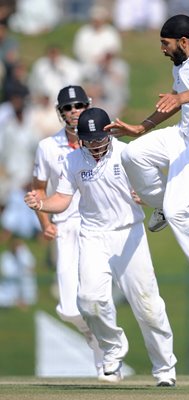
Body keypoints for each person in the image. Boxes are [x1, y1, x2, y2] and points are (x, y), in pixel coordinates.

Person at [24, 107, 177, 387]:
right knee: (89, 301)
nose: (94, 146)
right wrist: (42, 204)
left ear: (109, 133)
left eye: (99, 139)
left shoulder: (127, 154)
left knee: (148, 306)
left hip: (129, 233)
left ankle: (165, 368)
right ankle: (113, 350)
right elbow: (62, 199)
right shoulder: (72, 160)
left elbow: (153, 188)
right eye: (89, 140)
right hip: (93, 234)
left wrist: (144, 196)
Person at [104, 14, 189, 313]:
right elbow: (174, 101)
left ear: (182, 41)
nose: (162, 49)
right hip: (184, 137)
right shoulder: (180, 65)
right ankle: (160, 204)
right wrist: (141, 127)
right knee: (131, 154)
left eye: (165, 43)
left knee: (180, 211)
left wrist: (182, 99)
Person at [30, 85, 115, 382]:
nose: (73, 111)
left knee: (95, 298)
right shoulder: (47, 147)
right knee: (68, 308)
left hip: (99, 225)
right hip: (66, 226)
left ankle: (106, 363)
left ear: (88, 105)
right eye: (67, 107)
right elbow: (38, 190)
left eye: (78, 105)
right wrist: (45, 223)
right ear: (60, 112)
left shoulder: (106, 137)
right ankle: (98, 339)